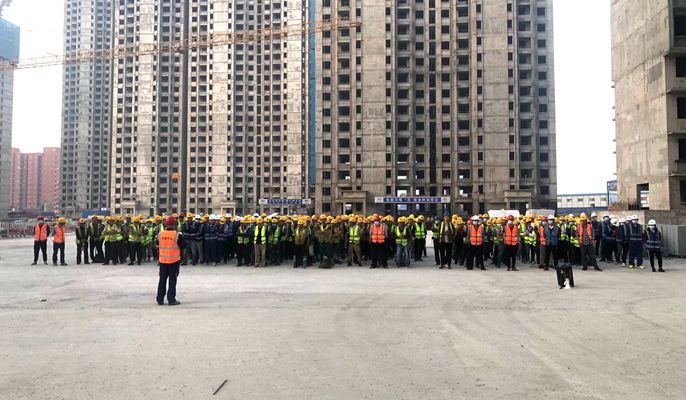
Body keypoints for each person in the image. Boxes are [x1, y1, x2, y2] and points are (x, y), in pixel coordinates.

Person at [156, 216, 186, 306]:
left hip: (162, 261)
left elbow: (157, 245)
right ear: (174, 224)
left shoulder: (160, 234)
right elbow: (184, 245)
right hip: (174, 261)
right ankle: (171, 299)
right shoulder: (177, 235)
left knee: (162, 280)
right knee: (172, 280)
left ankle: (160, 299)